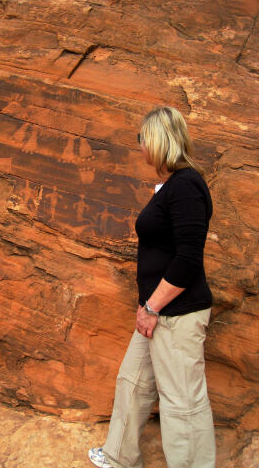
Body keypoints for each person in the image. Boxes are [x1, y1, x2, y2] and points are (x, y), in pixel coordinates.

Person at [88, 106, 216, 468]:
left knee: (182, 403)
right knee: (133, 383)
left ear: (157, 140)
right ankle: (120, 457)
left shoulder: (187, 185)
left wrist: (152, 307)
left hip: (177, 314)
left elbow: (188, 259)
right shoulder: (173, 186)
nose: (139, 145)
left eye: (141, 138)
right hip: (156, 312)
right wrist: (148, 307)